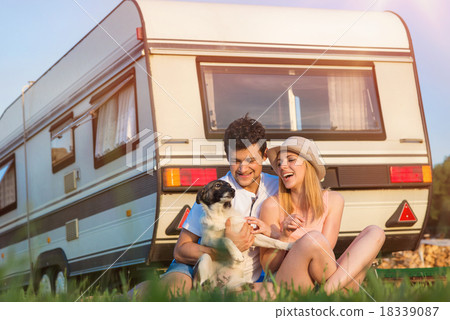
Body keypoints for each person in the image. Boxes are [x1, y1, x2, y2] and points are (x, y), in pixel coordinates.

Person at [158, 115, 279, 296]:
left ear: (264, 155)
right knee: (174, 290)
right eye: (236, 160)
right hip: (197, 266)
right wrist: (221, 251)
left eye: (251, 160)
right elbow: (181, 250)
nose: (242, 169)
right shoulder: (215, 192)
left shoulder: (277, 186)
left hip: (238, 278)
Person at [253, 136, 385, 294]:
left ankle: (326, 294)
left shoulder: (334, 200)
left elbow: (325, 253)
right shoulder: (272, 205)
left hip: (324, 279)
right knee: (314, 238)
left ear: (308, 165)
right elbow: (268, 268)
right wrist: (283, 236)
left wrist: (275, 233)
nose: (283, 167)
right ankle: (337, 296)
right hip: (289, 279)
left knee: (375, 231)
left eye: (290, 160)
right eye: (280, 163)